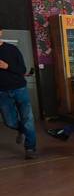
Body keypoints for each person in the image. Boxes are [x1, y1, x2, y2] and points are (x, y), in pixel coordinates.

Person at [0, 27, 37, 159]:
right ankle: (21, 130)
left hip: (19, 89)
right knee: (9, 122)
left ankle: (30, 148)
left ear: (1, 32)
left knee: (28, 119)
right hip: (2, 93)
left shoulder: (12, 49)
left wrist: (7, 66)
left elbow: (22, 69)